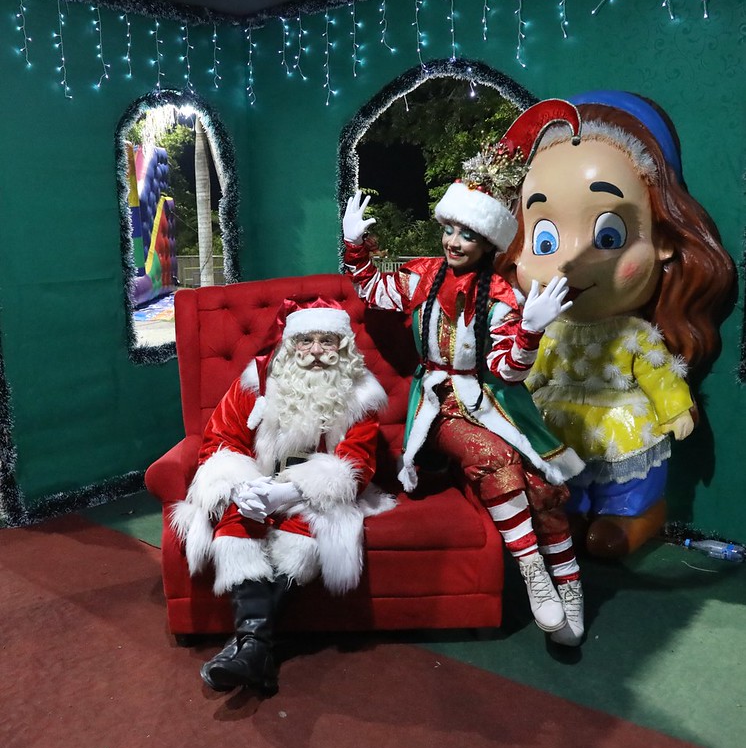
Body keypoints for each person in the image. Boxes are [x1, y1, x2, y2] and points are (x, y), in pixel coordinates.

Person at [342, 101, 588, 647]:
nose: (452, 241)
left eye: (466, 235)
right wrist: (356, 244)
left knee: (543, 485)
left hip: (497, 402)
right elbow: (373, 290)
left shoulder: (502, 297)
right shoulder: (422, 276)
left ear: (487, 243)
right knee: (495, 457)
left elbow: (507, 370)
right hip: (440, 406)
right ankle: (534, 577)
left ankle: (569, 588)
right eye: (449, 229)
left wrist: (529, 329)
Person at [499, 91, 736, 558]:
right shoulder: (550, 332)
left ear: (664, 240)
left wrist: (674, 408)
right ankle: (565, 513)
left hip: (618, 420)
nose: (568, 260)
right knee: (560, 482)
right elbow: (531, 371)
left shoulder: (630, 334)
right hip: (560, 423)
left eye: (608, 235)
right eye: (544, 238)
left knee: (624, 482)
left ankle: (631, 518)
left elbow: (656, 370)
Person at [171, 297, 393, 694]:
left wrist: (291, 491)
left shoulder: (361, 398)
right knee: (235, 524)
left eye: (328, 341)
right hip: (256, 483)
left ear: (343, 346)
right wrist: (242, 486)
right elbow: (221, 440)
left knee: (303, 534)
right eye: (305, 341)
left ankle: (249, 649)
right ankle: (255, 650)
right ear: (290, 346)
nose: (316, 352)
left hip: (313, 496)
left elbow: (356, 465)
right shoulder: (254, 384)